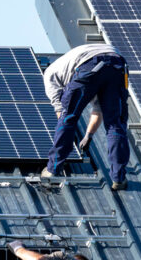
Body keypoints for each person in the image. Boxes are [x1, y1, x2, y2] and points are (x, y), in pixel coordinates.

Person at [41, 43, 130, 191]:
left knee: (68, 117)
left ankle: (52, 169)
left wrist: (71, 136)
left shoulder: (50, 75)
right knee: (115, 123)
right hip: (118, 65)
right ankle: (119, 178)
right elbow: (98, 111)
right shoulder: (67, 65)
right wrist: (88, 135)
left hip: (89, 64)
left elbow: (62, 113)